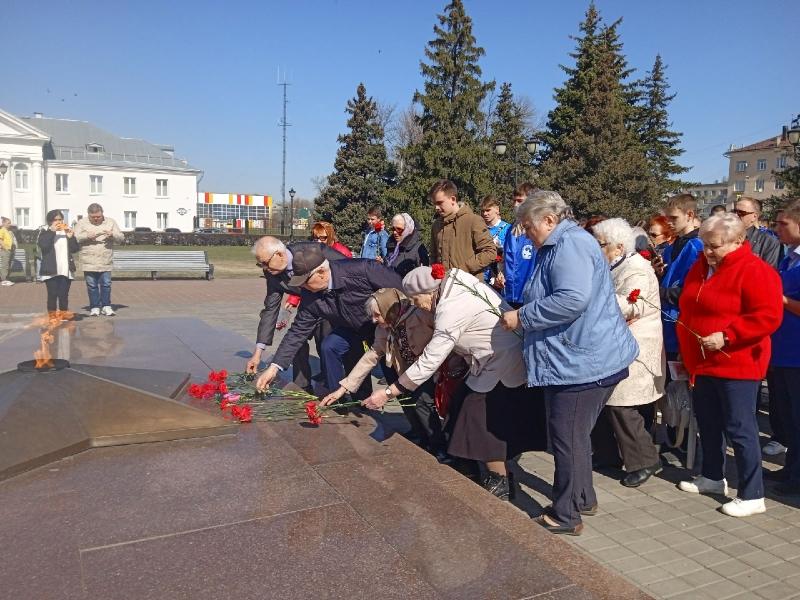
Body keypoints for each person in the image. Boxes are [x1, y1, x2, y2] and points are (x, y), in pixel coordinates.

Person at [500, 190, 638, 535]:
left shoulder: (568, 244)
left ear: (549, 220)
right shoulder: (564, 242)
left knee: (567, 438)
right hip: (581, 358)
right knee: (574, 436)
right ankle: (583, 498)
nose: (525, 233)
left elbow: (572, 299)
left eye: (528, 226)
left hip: (581, 363)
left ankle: (565, 514)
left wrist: (524, 318)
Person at [368, 265, 546, 501]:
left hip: (500, 362)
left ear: (429, 292)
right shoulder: (453, 284)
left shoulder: (450, 308)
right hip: (490, 360)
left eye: (416, 300)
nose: (417, 306)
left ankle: (500, 482)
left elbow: (431, 358)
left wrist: (390, 392)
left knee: (479, 418)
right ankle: (470, 465)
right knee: (461, 406)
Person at [676, 214, 783, 517]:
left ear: (738, 241)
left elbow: (768, 315)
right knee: (708, 422)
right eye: (705, 246)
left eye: (715, 246)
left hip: (737, 362)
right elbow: (690, 305)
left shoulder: (755, 271)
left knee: (740, 427)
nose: (708, 252)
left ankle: (752, 494)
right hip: (703, 360)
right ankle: (712, 476)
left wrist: (727, 336)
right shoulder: (702, 266)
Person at [255, 244, 403, 398]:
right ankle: (336, 399)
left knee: (394, 373)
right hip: (351, 327)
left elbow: (402, 292)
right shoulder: (310, 295)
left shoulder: (365, 270)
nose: (303, 288)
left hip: (383, 325)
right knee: (330, 346)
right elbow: (298, 331)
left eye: (306, 282)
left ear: (321, 273)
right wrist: (273, 368)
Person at [320, 288, 445, 457]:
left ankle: (439, 446)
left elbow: (442, 334)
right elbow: (372, 355)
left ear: (389, 309)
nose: (373, 320)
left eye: (377, 315)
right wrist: (343, 388)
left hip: (426, 369)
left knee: (422, 404)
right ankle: (421, 436)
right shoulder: (384, 327)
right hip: (402, 370)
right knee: (406, 401)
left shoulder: (420, 315)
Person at [590, 218, 665, 487]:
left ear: (618, 247)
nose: (598, 248)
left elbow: (632, 305)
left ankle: (645, 460)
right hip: (617, 344)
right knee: (607, 402)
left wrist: (593, 302)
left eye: (601, 244)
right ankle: (608, 454)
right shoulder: (616, 265)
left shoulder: (637, 270)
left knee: (623, 405)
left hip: (637, 347)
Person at [247, 237, 349, 391]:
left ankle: (334, 388)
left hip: (331, 304)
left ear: (279, 255)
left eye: (265, 263)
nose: (264, 268)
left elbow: (348, 270)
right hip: (308, 307)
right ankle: (302, 386)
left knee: (326, 344)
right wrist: (257, 353)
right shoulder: (272, 272)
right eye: (260, 264)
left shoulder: (314, 251)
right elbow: (270, 308)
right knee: (295, 343)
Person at [766, 200, 800, 497]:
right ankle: (791, 469)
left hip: (797, 352)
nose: (777, 229)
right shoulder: (789, 257)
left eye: (783, 224)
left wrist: (780, 299)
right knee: (788, 416)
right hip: (782, 349)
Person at [658, 194, 704, 363]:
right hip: (667, 320)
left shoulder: (698, 246)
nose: (669, 222)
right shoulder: (673, 246)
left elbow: (693, 290)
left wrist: (658, 291)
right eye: (667, 217)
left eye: (674, 218)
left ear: (690, 215)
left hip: (683, 321)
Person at [429, 179, 496, 277]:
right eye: (434, 204)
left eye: (440, 203)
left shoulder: (473, 221)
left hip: (469, 286)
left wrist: (463, 269)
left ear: (453, 199)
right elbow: (433, 256)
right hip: (443, 287)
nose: (436, 208)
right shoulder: (436, 226)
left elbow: (490, 252)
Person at [73, 203, 124, 316]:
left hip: (105, 259)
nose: (96, 219)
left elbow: (121, 238)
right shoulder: (82, 223)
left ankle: (106, 306)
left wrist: (112, 235)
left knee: (106, 284)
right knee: (92, 285)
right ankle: (95, 306)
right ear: (88, 215)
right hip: (89, 260)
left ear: (102, 214)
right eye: (93, 217)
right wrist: (86, 236)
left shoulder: (111, 222)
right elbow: (74, 238)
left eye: (98, 216)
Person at [496, 182, 538, 308]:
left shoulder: (538, 230)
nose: (515, 205)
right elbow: (506, 259)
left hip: (530, 297)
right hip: (509, 294)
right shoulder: (511, 229)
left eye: (520, 201)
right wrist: (501, 273)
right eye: (514, 201)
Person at [38, 209, 80, 318]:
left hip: (65, 269)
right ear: (49, 221)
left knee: (63, 295)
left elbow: (75, 249)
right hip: (51, 269)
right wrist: (51, 231)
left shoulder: (66, 231)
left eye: (60, 219)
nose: (58, 222)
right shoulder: (44, 231)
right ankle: (52, 316)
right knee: (52, 294)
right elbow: (44, 246)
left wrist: (71, 238)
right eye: (55, 220)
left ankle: (63, 314)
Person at [733, 197, 783, 268]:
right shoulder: (724, 236)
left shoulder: (768, 242)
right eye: (734, 211)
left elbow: (769, 272)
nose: (735, 215)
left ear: (754, 216)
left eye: (741, 213)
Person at [385, 213, 429, 277]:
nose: (395, 232)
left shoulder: (419, 249)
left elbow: (423, 277)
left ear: (408, 228)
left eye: (399, 229)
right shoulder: (392, 245)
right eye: (393, 229)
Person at [479, 195, 510, 285]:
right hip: (481, 278)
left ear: (497, 209)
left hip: (499, 279)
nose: (485, 213)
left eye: (488, 210)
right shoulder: (479, 229)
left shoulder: (508, 229)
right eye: (482, 211)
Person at [0, 216, 17, 286]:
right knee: (5, 265)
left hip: (10, 250)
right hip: (5, 250)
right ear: (3, 223)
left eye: (10, 223)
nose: (9, 224)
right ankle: (4, 280)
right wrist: (4, 247)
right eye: (8, 223)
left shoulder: (8, 231)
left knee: (9, 264)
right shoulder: (2, 230)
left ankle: (6, 279)